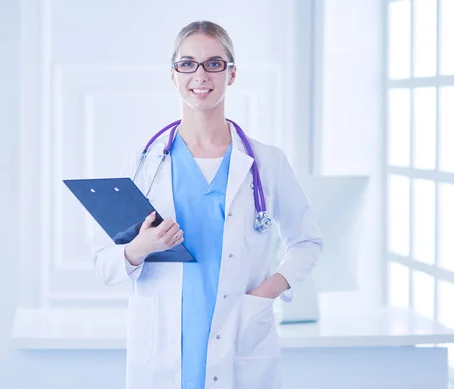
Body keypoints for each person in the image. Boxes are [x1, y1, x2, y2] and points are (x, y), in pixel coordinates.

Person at [92, 20, 322, 389]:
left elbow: (307, 242)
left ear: (231, 74)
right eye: (187, 63)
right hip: (163, 350)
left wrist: (269, 290)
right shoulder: (143, 164)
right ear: (173, 74)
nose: (200, 74)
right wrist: (140, 248)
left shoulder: (267, 162)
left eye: (214, 63)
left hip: (241, 337)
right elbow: (104, 262)